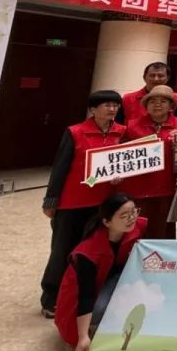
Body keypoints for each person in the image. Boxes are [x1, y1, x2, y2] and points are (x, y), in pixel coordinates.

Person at [40, 90, 126, 318]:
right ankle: (51, 297)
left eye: (115, 105)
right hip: (72, 203)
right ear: (92, 109)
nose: (112, 109)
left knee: (94, 251)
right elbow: (60, 167)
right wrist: (51, 199)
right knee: (63, 250)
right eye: (107, 105)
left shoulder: (122, 132)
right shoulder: (75, 132)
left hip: (104, 204)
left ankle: (84, 296)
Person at [54, 193, 147, 351]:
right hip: (84, 292)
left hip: (113, 279)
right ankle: (95, 329)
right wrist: (83, 336)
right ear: (106, 222)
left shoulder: (136, 227)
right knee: (99, 310)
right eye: (124, 215)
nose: (132, 218)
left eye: (134, 211)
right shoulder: (89, 252)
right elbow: (86, 295)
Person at [122, 85, 177, 239]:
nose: (157, 105)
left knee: (163, 230)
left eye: (163, 101)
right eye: (152, 101)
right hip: (137, 187)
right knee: (135, 230)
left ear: (171, 106)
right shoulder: (131, 126)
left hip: (167, 187)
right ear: (146, 105)